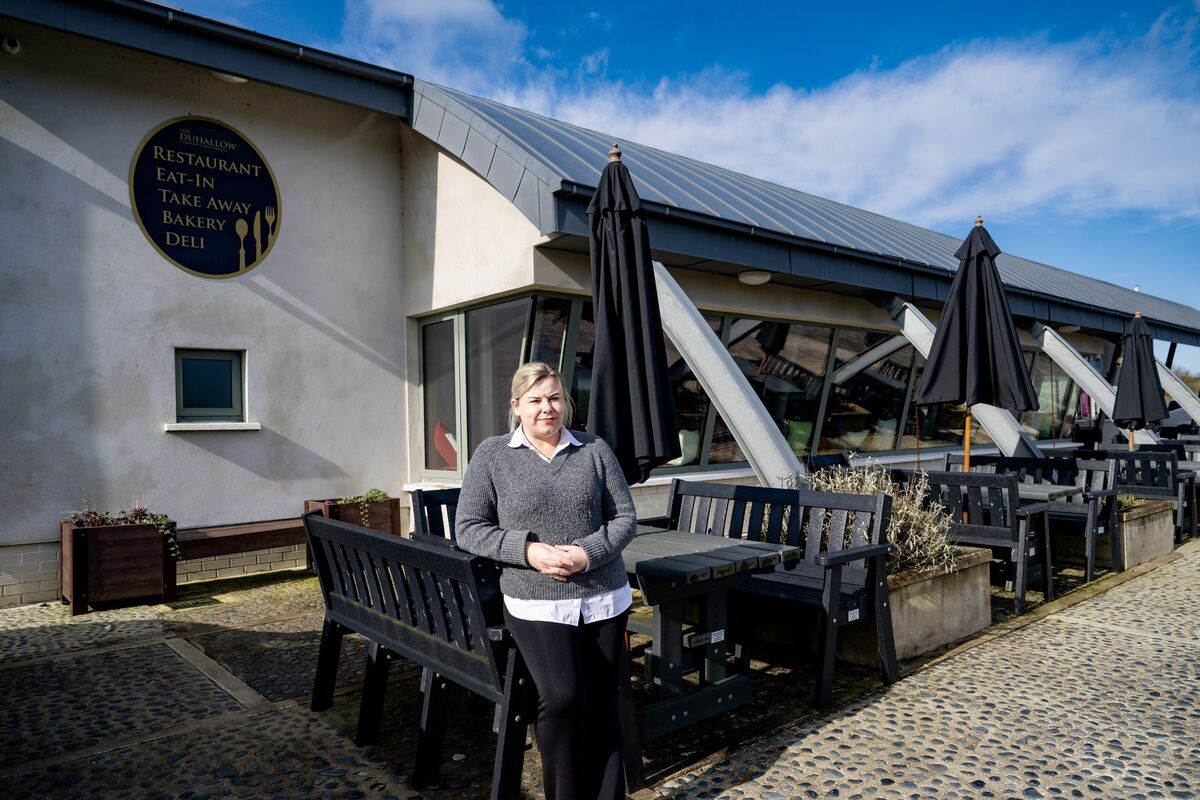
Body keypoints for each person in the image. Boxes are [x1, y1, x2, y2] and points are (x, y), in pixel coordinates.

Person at [454, 361, 637, 800]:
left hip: (603, 595)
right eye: (535, 400)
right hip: (535, 600)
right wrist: (528, 551)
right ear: (516, 406)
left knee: (606, 702)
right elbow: (468, 528)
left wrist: (586, 553)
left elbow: (625, 518)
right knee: (562, 698)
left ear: (566, 403)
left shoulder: (594, 449)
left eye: (555, 398)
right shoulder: (493, 455)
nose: (547, 409)